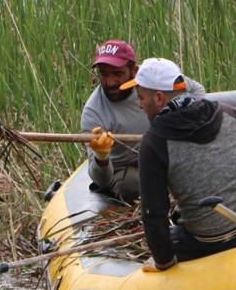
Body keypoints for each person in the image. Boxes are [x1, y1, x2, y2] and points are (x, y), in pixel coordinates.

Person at [121, 58, 236, 272]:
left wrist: (163, 262)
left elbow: (154, 214)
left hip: (211, 241)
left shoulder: (155, 141)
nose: (139, 105)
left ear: (159, 98)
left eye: (141, 98)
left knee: (174, 234)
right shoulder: (229, 113)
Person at [80, 40, 203, 202]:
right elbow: (101, 180)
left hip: (167, 152)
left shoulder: (154, 76)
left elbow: (197, 92)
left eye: (117, 74)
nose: (109, 82)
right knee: (134, 186)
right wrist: (101, 157)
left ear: (135, 71)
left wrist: (180, 121)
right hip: (130, 168)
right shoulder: (93, 113)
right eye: (104, 74)